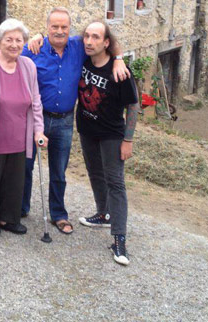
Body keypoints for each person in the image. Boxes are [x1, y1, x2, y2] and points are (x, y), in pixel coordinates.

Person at [20, 8, 129, 235]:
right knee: (26, 167)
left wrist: (118, 59)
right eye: (54, 27)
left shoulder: (79, 45)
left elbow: (110, 41)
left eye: (64, 27)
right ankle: (20, 209)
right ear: (47, 27)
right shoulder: (33, 49)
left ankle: (58, 214)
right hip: (36, 120)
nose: (59, 31)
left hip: (64, 121)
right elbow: (7, 56)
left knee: (59, 171)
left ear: (70, 29)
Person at [0, 19, 47, 237]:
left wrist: (39, 130)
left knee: (14, 179)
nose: (14, 44)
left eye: (19, 40)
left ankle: (9, 217)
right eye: (9, 40)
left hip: (18, 135)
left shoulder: (28, 66)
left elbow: (35, 101)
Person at [76, 20, 138, 266]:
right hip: (87, 130)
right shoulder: (82, 58)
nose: (89, 42)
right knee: (94, 173)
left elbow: (133, 105)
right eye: (87, 36)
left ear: (106, 42)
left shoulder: (120, 71)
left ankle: (119, 239)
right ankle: (103, 213)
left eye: (95, 37)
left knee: (115, 183)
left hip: (112, 135)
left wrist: (128, 139)